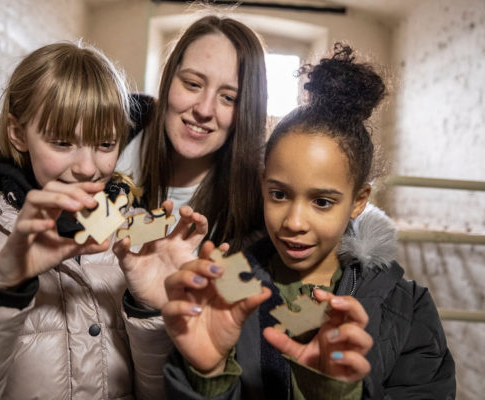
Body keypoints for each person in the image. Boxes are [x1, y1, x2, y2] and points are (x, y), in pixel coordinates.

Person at [0, 42, 209, 400]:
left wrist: (149, 310)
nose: (88, 167)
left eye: (105, 144)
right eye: (61, 142)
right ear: (18, 134)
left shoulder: (139, 231)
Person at [161, 43, 456, 399]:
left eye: (322, 201)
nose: (294, 222)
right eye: (280, 195)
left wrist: (338, 393)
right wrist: (208, 375)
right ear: (262, 185)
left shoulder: (406, 309)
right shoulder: (228, 290)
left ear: (358, 202)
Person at [117, 14, 268, 253]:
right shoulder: (118, 122)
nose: (204, 110)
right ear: (168, 79)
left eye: (228, 98)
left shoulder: (253, 210)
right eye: (192, 84)